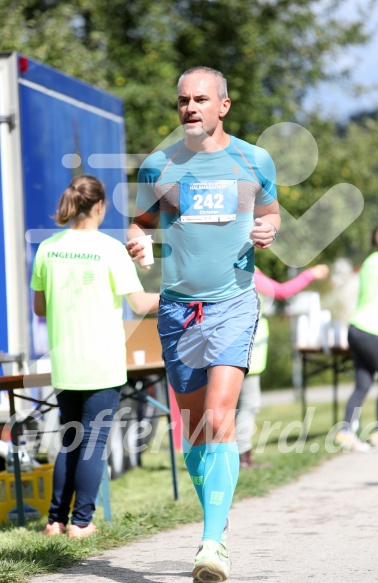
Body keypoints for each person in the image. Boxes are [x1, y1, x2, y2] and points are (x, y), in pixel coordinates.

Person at [126, 66, 280, 582]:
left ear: (224, 106)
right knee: (194, 430)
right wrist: (140, 241)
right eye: (183, 101)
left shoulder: (253, 160)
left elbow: (272, 213)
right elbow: (140, 222)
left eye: (200, 99)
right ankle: (218, 515)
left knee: (218, 418)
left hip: (233, 303)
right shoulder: (158, 166)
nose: (189, 108)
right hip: (176, 309)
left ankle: (211, 543)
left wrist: (268, 228)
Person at [30, 174, 159, 539]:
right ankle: (82, 523)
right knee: (93, 442)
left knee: (69, 441)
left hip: (65, 363)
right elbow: (139, 303)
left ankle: (55, 521)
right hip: (102, 363)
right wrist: (176, 295)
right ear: (100, 205)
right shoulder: (110, 249)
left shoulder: (47, 248)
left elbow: (40, 307)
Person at [237, 264, 330, 468]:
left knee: (233, 405)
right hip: (245, 352)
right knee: (248, 404)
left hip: (237, 349)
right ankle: (243, 457)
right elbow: (281, 291)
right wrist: (310, 274)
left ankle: (230, 456)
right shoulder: (242, 267)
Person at [335, 223, 378, 452]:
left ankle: (346, 431)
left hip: (355, 327)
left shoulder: (369, 262)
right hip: (370, 329)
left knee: (364, 383)